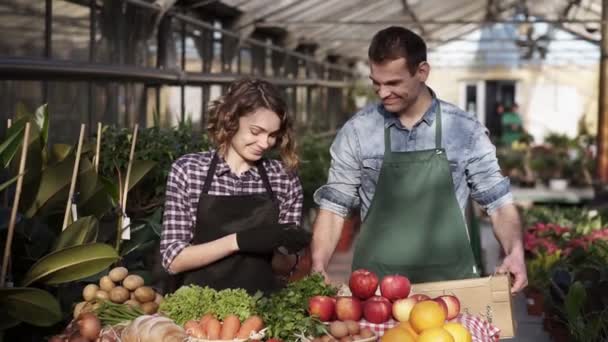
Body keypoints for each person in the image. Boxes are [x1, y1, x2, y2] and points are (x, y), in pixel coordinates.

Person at [310, 27, 527, 293]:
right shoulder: (358, 132)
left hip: (451, 288)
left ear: (422, 72)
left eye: (393, 83)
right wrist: (318, 264)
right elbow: (334, 207)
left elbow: (498, 203)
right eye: (376, 83)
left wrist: (515, 251)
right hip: (375, 290)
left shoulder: (464, 131)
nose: (382, 93)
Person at [160, 78, 311, 295]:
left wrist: (290, 251)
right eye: (256, 131)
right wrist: (238, 241)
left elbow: (285, 266)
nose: (264, 143)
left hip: (261, 311)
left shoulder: (283, 177)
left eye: (272, 135)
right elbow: (172, 259)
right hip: (198, 312)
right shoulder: (189, 171)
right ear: (231, 119)